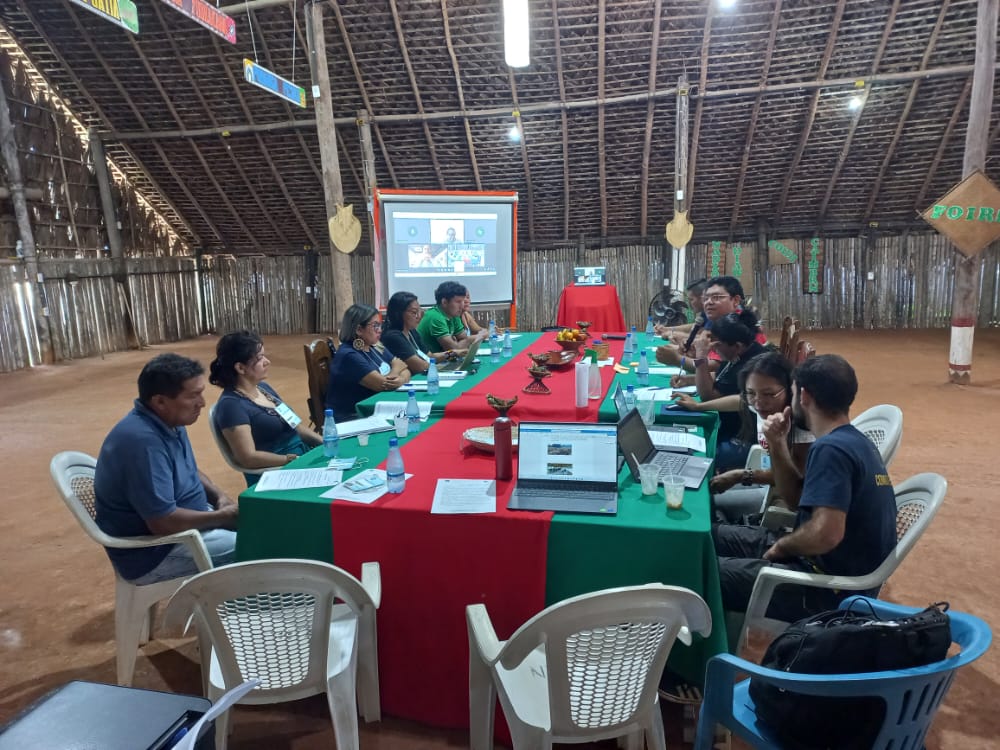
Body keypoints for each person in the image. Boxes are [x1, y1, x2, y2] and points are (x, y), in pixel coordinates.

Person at [713, 354, 897, 622]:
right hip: (818, 563)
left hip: (825, 588)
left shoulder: (830, 449)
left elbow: (827, 534)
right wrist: (776, 443)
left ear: (804, 396)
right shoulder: (855, 441)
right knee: (710, 535)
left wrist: (784, 547)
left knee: (701, 571)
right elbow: (795, 501)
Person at [93, 353, 238, 584]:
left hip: (191, 527)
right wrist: (220, 518)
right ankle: (250, 615)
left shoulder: (169, 422)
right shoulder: (142, 443)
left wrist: (220, 497)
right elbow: (163, 522)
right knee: (263, 547)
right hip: (155, 552)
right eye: (193, 396)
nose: (202, 402)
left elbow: (190, 470)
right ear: (160, 401)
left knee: (265, 529)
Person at [709, 352, 814, 521]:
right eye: (751, 392)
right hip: (768, 486)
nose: (758, 402)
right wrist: (697, 407)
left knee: (712, 504)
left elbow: (794, 480)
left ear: (789, 390)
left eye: (768, 394)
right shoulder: (763, 406)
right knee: (709, 493)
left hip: (787, 501)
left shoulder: (802, 427)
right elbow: (740, 401)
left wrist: (740, 475)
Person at [209, 330, 321, 486]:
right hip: (275, 474)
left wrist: (325, 442)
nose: (267, 361)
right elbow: (248, 458)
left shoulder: (263, 388)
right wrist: (289, 460)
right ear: (241, 368)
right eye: (260, 358)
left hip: (300, 460)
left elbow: (297, 426)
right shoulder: (231, 406)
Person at [672, 309, 768, 471]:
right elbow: (723, 375)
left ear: (737, 346)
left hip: (745, 439)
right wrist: (688, 379)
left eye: (717, 345)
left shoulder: (753, 365)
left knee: (693, 459)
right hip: (731, 426)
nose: (713, 349)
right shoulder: (746, 350)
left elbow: (708, 396)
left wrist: (701, 357)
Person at [325, 303, 411, 422]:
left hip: (376, 408)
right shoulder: (349, 355)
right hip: (353, 417)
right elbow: (383, 385)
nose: (380, 330)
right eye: (375, 326)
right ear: (359, 329)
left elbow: (405, 368)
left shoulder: (377, 346)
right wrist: (397, 370)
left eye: (380, 325)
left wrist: (400, 380)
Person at [381, 291, 466, 374]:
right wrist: (440, 367)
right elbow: (420, 367)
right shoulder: (393, 336)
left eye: (419, 311)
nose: (419, 316)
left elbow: (430, 357)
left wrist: (453, 353)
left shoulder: (411, 331)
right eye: (414, 312)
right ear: (398, 314)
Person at [417, 280, 487, 351]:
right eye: (458, 302)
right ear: (444, 302)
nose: (462, 305)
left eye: (463, 301)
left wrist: (463, 342)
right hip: (429, 361)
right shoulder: (435, 317)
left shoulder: (453, 315)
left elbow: (463, 338)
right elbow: (453, 349)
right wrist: (476, 337)